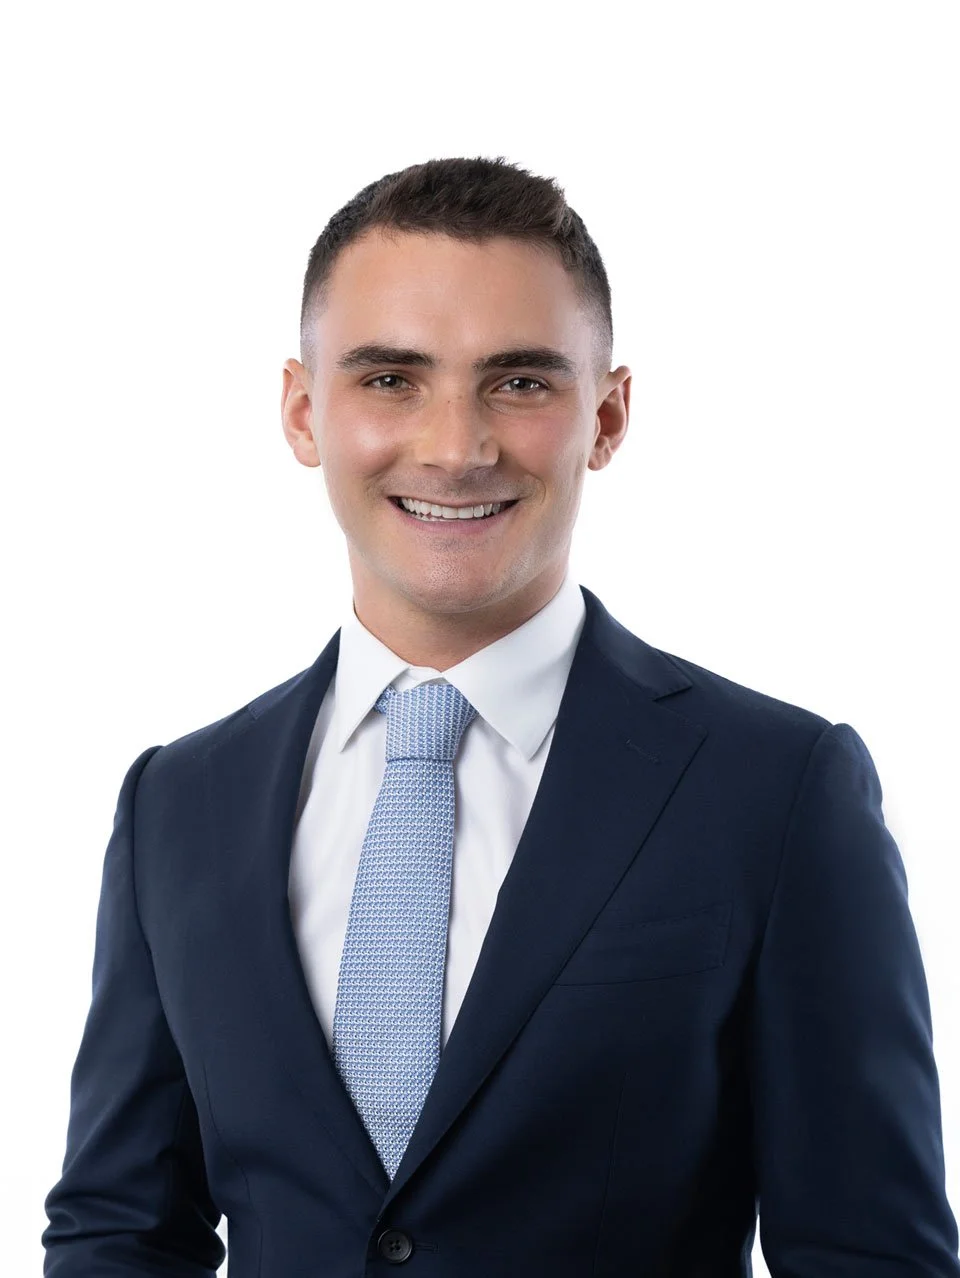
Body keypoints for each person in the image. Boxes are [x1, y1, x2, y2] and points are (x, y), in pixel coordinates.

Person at [42, 155, 960, 1277]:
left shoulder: (775, 790)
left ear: (608, 415)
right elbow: (120, 1232)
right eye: (390, 379)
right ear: (301, 410)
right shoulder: (177, 803)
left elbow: (871, 1255)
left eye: (519, 383)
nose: (456, 447)